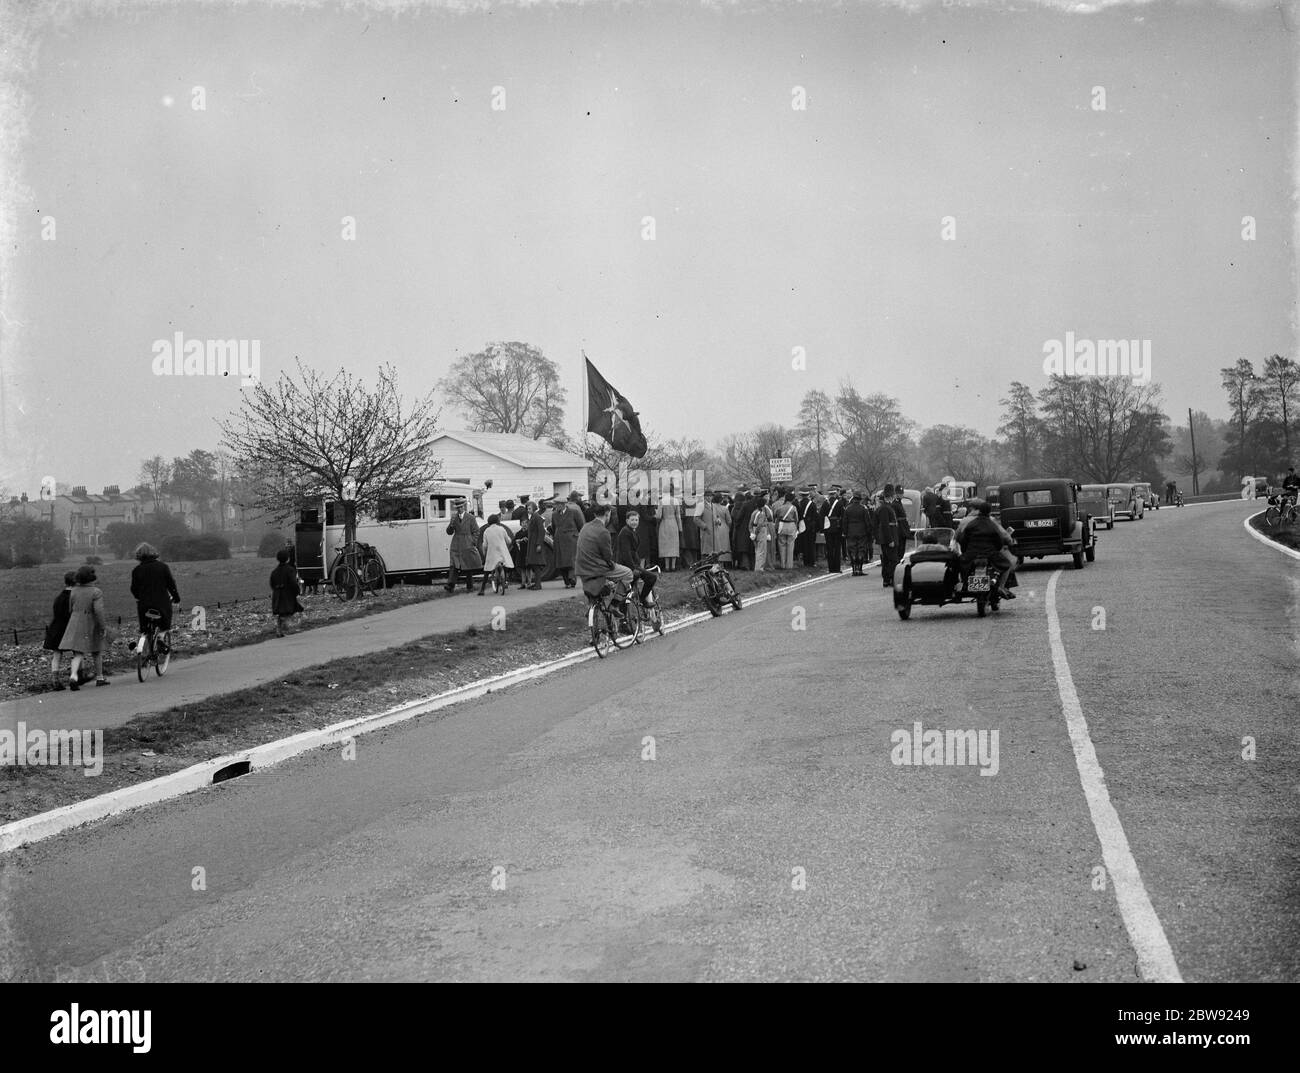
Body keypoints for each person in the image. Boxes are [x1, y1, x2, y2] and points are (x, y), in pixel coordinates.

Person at [59, 564, 109, 689]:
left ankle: (74, 676)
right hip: (90, 622)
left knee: (78, 653)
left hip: (75, 622)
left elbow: (71, 608)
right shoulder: (96, 591)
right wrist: (103, 627)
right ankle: (100, 678)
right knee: (96, 651)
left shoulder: (74, 590)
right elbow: (98, 611)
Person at [956, 500, 1017, 599]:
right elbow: (1000, 540)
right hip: (990, 554)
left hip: (972, 554)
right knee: (1007, 565)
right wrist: (997, 549)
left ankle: (964, 583)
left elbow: (962, 539)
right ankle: (1001, 587)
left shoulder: (969, 523)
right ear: (989, 512)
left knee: (959, 565)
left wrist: (966, 551)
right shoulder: (992, 524)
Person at [576, 502, 634, 600]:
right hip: (596, 568)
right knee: (628, 573)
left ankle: (594, 606)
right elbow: (607, 556)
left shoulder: (585, 527)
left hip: (581, 567)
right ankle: (615, 603)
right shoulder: (604, 532)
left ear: (595, 514)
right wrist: (612, 564)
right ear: (608, 514)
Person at [130, 541, 181, 643]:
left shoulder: (136, 570)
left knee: (145, 627)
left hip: (144, 604)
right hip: (161, 602)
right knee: (165, 621)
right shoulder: (162, 567)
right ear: (153, 553)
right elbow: (171, 584)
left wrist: (139, 597)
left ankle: (144, 640)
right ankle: (162, 636)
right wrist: (176, 597)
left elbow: (133, 588)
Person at [616, 510, 659, 606]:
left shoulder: (631, 531)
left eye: (636, 520)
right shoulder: (625, 532)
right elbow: (626, 553)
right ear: (627, 521)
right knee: (652, 577)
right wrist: (633, 568)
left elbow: (633, 551)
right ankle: (642, 600)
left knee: (629, 589)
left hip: (632, 564)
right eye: (632, 520)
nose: (634, 522)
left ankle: (637, 601)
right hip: (627, 565)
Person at [43, 570, 77, 689]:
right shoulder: (74, 597)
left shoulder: (58, 597)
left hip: (55, 629)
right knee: (77, 653)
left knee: (57, 655)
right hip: (69, 629)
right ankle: (77, 676)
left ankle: (55, 681)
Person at [445, 498, 482, 594]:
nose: (459, 509)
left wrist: (472, 541)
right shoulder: (454, 517)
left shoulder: (470, 517)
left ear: (464, 507)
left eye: (461, 507)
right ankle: (450, 585)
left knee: (468, 565)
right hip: (456, 544)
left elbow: (476, 531)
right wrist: (451, 525)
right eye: (458, 508)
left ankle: (470, 586)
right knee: (454, 565)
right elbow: (449, 532)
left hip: (467, 543)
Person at [550, 493, 583, 589]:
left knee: (571, 560)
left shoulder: (573, 512)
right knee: (561, 562)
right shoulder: (554, 514)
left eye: (557, 504)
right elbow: (553, 527)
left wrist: (579, 536)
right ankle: (566, 581)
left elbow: (580, 525)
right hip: (559, 540)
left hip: (571, 540)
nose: (555, 506)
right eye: (555, 504)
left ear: (563, 504)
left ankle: (572, 578)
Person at [477, 513, 515, 595]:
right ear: (497, 521)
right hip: (502, 552)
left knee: (487, 570)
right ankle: (505, 581)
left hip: (492, 554)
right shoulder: (502, 529)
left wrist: (484, 554)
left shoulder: (486, 531)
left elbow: (485, 545)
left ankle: (482, 590)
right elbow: (508, 541)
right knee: (505, 564)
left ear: (489, 522)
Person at [270, 547, 303, 635]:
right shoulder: (290, 570)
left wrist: (276, 591)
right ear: (288, 558)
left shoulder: (274, 572)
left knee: (281, 612)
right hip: (287, 594)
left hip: (277, 594)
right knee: (289, 611)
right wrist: (297, 591)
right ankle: (285, 627)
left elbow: (272, 584)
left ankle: (279, 629)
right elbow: (293, 582)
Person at [876, 484, 900, 587]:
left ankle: (887, 579)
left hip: (889, 536)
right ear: (890, 496)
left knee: (887, 559)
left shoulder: (887, 506)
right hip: (888, 537)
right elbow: (885, 525)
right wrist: (890, 539)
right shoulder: (885, 508)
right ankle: (890, 578)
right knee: (893, 560)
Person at [843, 492, 872, 576]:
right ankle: (859, 569)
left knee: (852, 550)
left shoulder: (848, 509)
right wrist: (868, 532)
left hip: (850, 532)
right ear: (860, 500)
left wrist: (845, 532)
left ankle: (853, 570)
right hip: (862, 532)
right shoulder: (863, 508)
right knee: (861, 549)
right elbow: (867, 521)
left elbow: (845, 522)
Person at [525, 499, 548, 589]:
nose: (528, 510)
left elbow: (541, 531)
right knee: (534, 563)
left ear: (534, 508)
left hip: (535, 543)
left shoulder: (537, 517)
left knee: (536, 564)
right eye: (527, 508)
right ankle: (536, 583)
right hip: (532, 543)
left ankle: (538, 584)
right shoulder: (533, 517)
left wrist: (539, 544)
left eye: (529, 508)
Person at [749, 492, 774, 571]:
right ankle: (759, 568)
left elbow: (750, 523)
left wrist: (752, 533)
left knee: (757, 550)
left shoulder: (754, 512)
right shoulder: (762, 513)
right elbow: (760, 525)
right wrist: (756, 534)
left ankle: (758, 567)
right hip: (761, 531)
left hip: (754, 529)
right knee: (762, 551)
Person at [774, 491, 799, 569]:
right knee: (790, 545)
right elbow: (796, 519)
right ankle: (789, 565)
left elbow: (776, 516)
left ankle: (783, 564)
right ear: (792, 500)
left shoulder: (780, 508)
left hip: (782, 525)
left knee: (781, 545)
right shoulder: (793, 508)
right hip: (791, 525)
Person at [823, 487, 845, 573]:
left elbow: (822, 516)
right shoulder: (839, 503)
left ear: (829, 494)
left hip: (827, 527)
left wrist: (823, 528)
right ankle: (837, 568)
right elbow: (842, 516)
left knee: (829, 548)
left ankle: (830, 568)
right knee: (837, 548)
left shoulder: (825, 503)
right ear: (835, 493)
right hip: (837, 527)